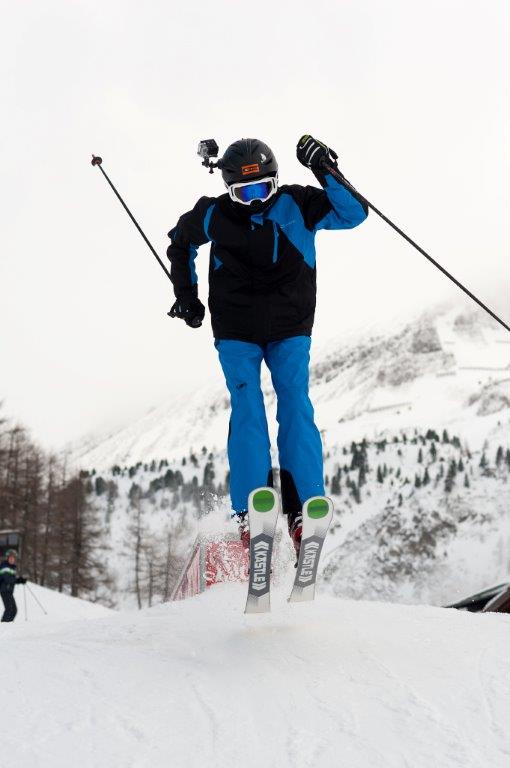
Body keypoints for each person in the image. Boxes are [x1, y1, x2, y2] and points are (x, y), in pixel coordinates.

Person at [167, 136, 368, 556]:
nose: (256, 199)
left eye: (264, 188)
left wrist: (324, 168)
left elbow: (354, 214)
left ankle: (302, 510)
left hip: (289, 325)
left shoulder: (298, 203)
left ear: (276, 181)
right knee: (248, 407)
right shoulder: (213, 213)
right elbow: (179, 242)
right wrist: (187, 295)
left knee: (295, 401)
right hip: (236, 330)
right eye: (245, 192)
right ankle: (252, 515)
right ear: (229, 190)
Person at [0, 549, 27, 622]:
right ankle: (3, 625)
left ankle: (8, 625)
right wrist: (18, 580)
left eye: (13, 558)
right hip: (4, 590)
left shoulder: (12, 567)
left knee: (14, 610)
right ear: (7, 558)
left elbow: (12, 579)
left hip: (9, 591)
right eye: (10, 558)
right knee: (9, 609)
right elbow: (8, 579)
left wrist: (20, 580)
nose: (12, 560)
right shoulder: (4, 566)